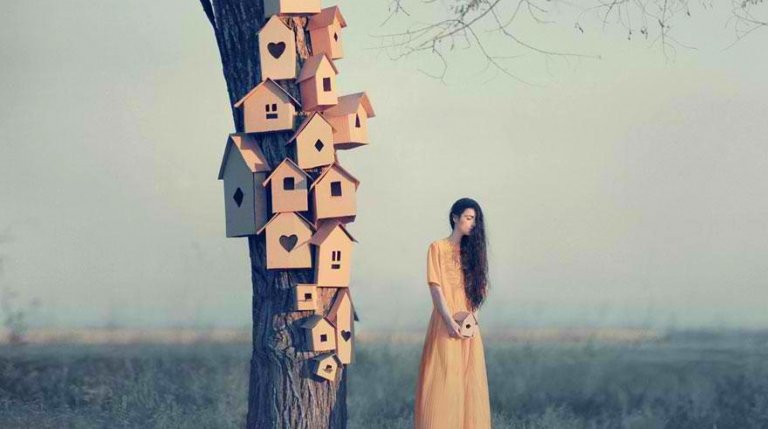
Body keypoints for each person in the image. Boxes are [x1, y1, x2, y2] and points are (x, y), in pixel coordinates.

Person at [414, 197, 492, 429]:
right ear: (455, 217)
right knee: (440, 382)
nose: (471, 224)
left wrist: (473, 320)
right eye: (468, 218)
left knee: (469, 384)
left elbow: (479, 292)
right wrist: (449, 321)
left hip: (469, 327)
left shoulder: (473, 253)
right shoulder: (437, 248)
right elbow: (435, 288)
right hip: (444, 323)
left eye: (475, 220)